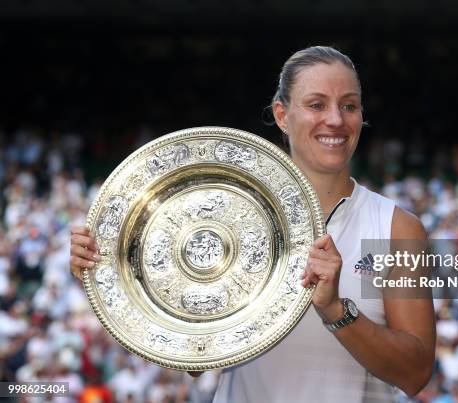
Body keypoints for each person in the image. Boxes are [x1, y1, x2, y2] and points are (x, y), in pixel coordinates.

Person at [70, 46, 436, 402]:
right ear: (281, 114)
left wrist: (336, 311)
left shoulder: (395, 228)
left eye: (349, 106)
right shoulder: (225, 217)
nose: (336, 120)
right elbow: (194, 357)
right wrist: (106, 273)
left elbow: (415, 374)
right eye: (316, 104)